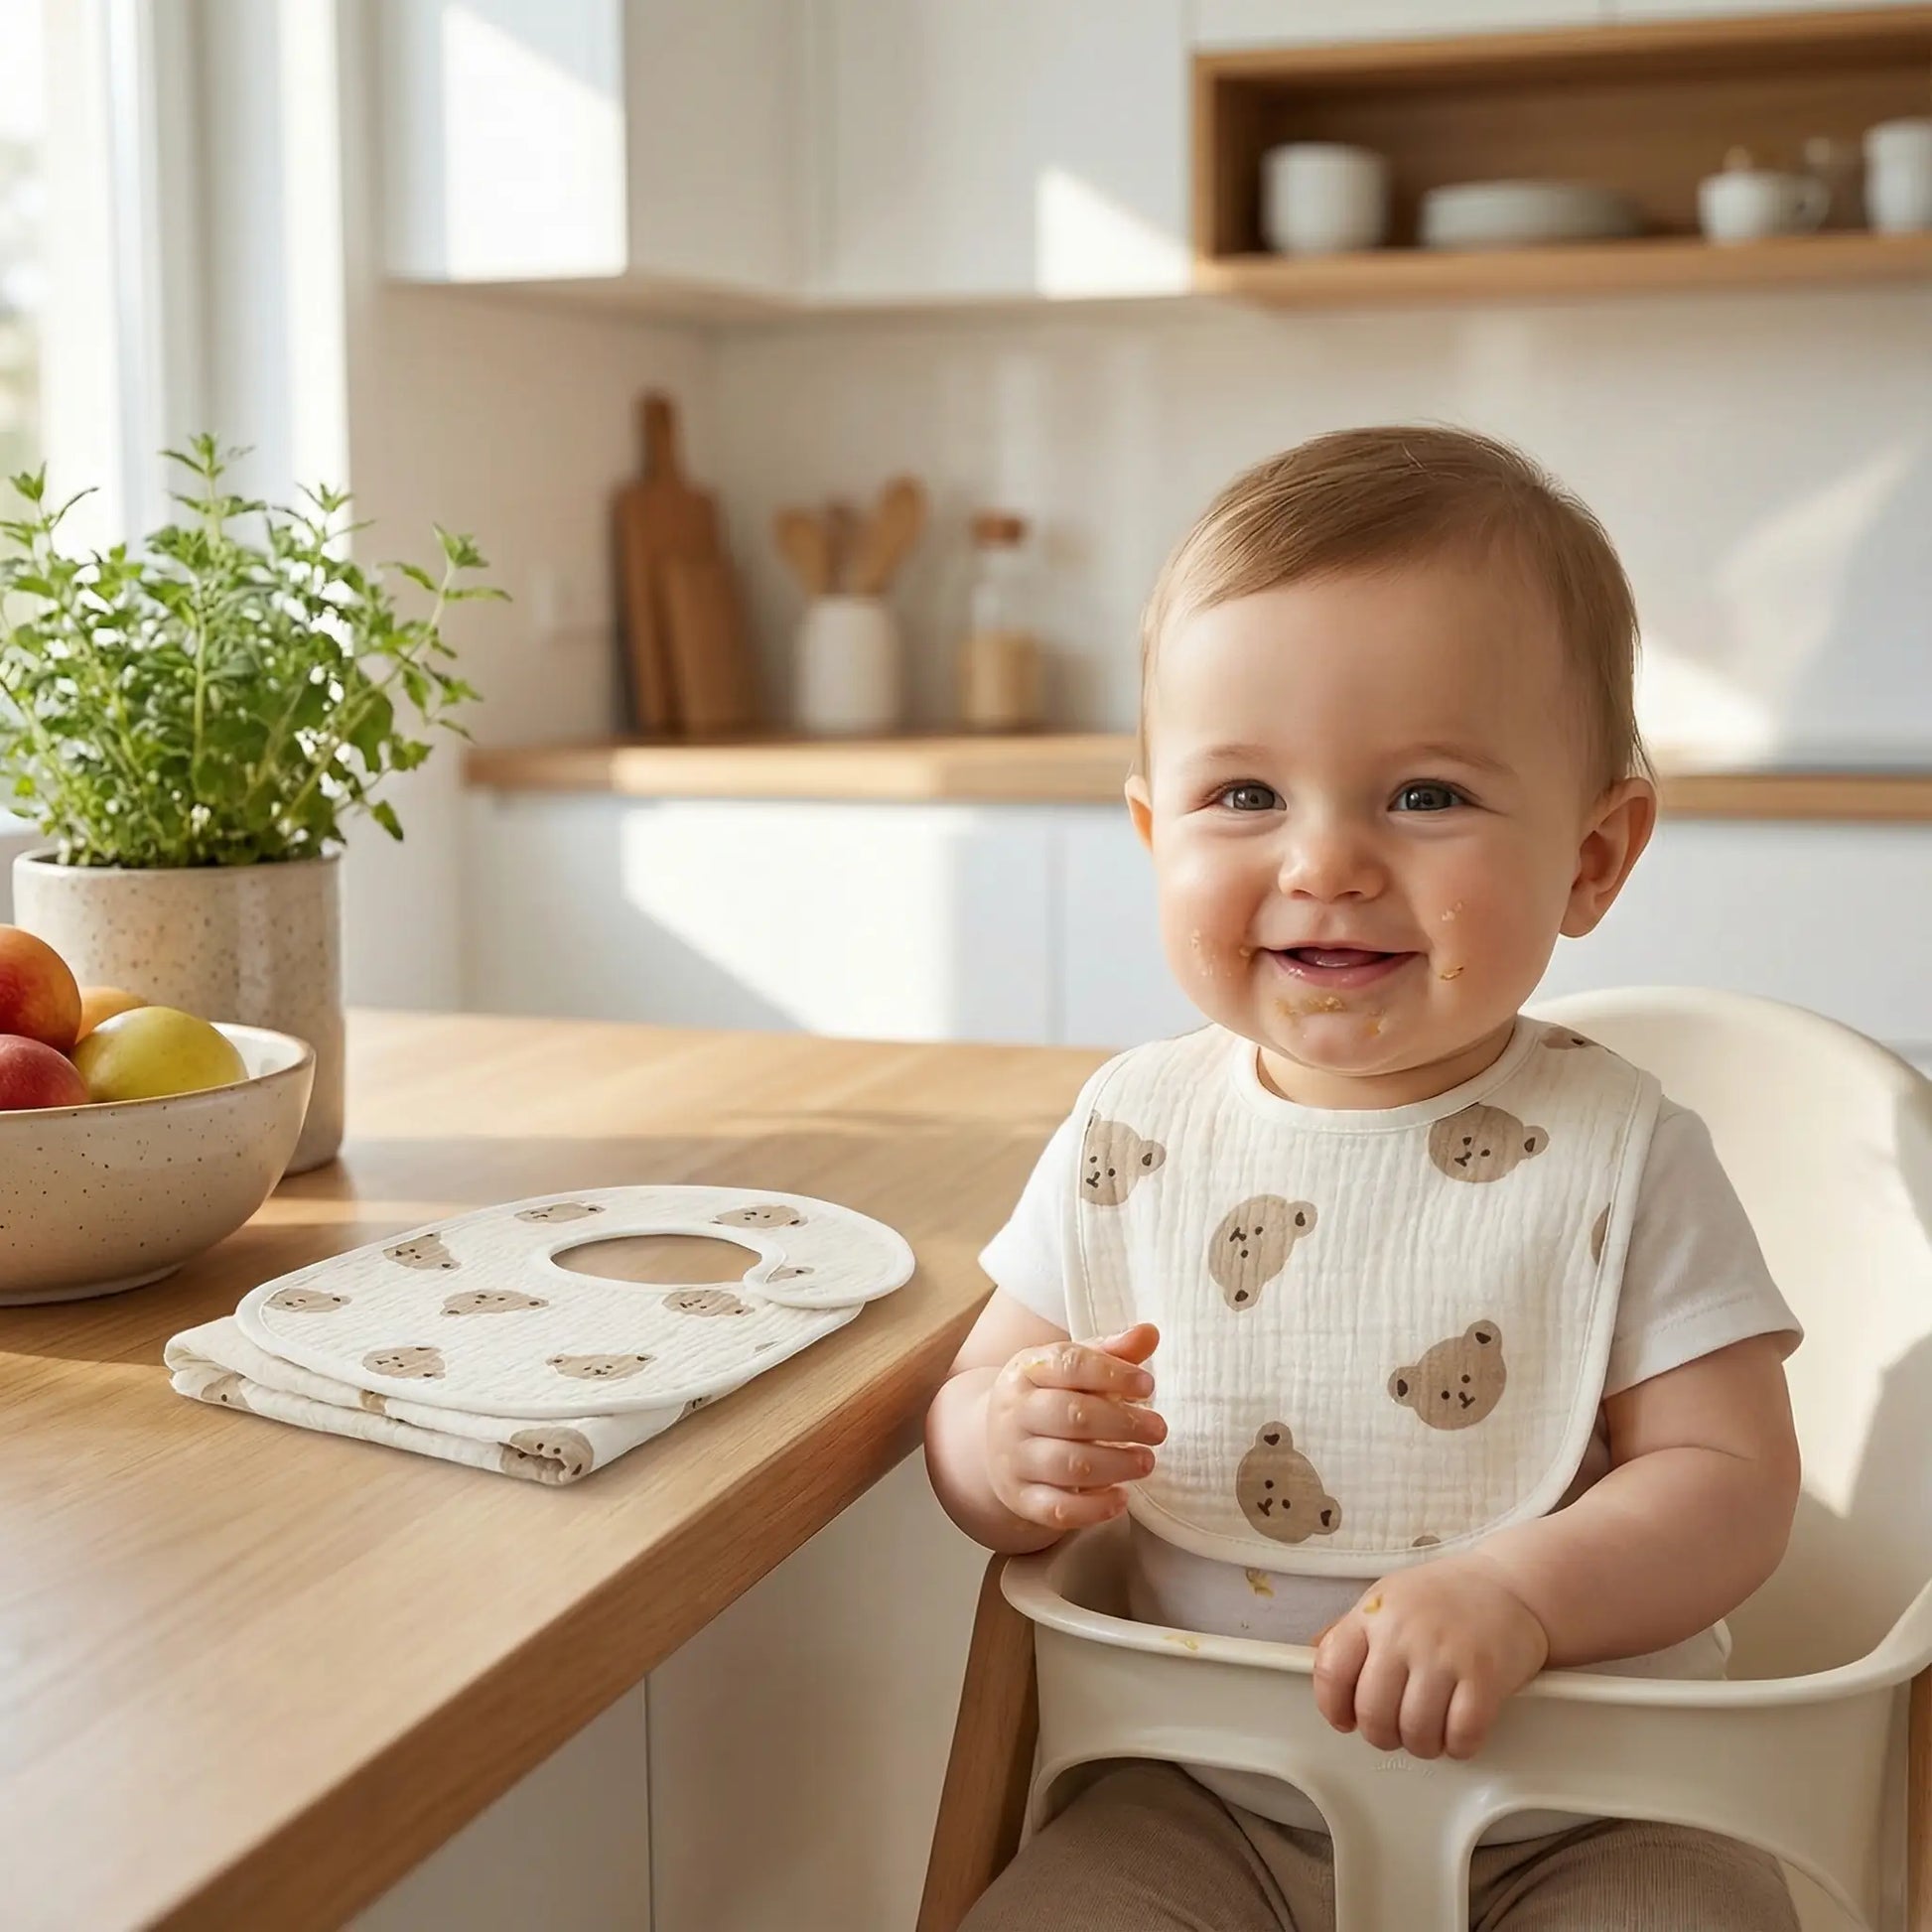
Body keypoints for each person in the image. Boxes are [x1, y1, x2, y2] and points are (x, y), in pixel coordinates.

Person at [924, 426, 1803, 1930]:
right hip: (1199, 1793)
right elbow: (971, 1401)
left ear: (1593, 856)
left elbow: (1731, 1486)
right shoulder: (1131, 1133)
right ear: (1151, 831)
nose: (1323, 861)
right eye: (1243, 795)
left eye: (1424, 796)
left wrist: (1521, 1595)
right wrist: (1003, 1449)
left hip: (1587, 1801)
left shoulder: (1628, 1157)